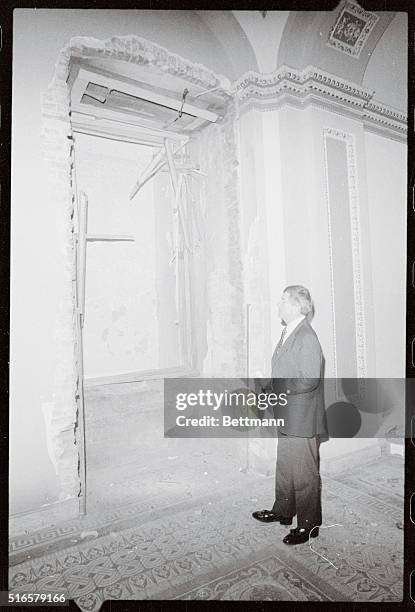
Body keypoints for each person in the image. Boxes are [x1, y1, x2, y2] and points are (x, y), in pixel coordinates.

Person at [252, 285, 328, 545]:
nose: (278, 305)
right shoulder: (288, 332)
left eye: (283, 300)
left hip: (302, 416)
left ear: (297, 305)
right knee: (285, 465)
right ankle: (283, 510)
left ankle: (309, 525)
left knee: (305, 473)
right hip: (287, 413)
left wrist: (277, 387)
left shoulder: (306, 336)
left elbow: (308, 380)